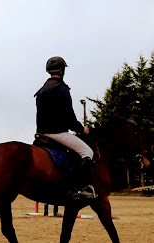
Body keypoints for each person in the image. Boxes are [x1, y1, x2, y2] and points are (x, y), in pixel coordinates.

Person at [34, 56, 95, 200]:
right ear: (62, 70)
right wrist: (81, 129)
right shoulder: (61, 89)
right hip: (57, 133)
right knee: (87, 152)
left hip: (41, 133)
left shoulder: (41, 91)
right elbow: (69, 115)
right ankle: (77, 189)